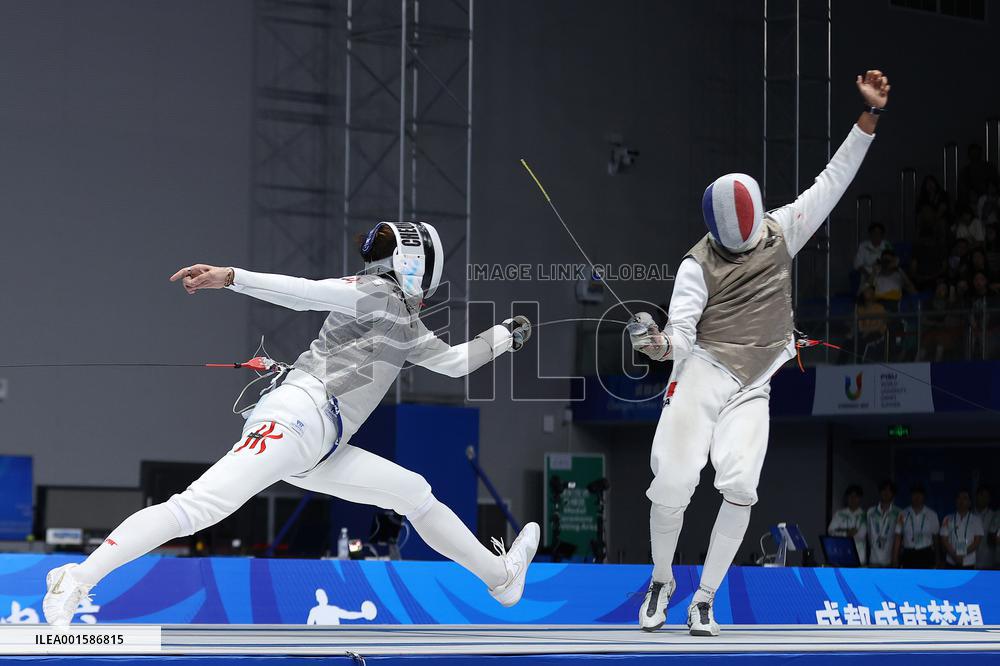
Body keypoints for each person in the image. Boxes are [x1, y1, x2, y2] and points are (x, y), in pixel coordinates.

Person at [42, 221, 540, 625]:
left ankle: (500, 578)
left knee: (414, 493)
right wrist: (231, 276)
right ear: (417, 267)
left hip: (320, 445)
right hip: (298, 419)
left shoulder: (406, 325)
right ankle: (77, 578)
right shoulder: (375, 293)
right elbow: (304, 293)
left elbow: (455, 363)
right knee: (196, 508)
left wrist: (503, 336)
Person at [629, 70, 888, 636]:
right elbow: (681, 335)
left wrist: (868, 118)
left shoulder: (781, 230)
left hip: (753, 383)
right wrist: (657, 343)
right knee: (671, 483)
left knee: (741, 487)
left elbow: (832, 181)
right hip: (703, 371)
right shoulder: (696, 265)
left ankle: (704, 597)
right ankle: (661, 580)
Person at [893, 485, 939, 569]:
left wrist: (937, 559)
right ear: (910, 496)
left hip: (926, 553)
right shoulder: (903, 514)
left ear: (924, 497)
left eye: (920, 494)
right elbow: (898, 536)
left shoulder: (932, 514)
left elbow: (935, 538)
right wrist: (895, 557)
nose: (917, 497)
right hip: (908, 553)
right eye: (914, 494)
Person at [940, 489, 985, 569]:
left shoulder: (976, 520)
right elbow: (944, 539)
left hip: (968, 561)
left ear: (970, 502)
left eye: (964, 498)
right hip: (951, 560)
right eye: (959, 498)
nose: (961, 501)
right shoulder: (947, 518)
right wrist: (954, 555)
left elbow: (977, 542)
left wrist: (962, 554)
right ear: (955, 501)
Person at [828, 485, 868, 565]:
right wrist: (846, 533)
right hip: (841, 554)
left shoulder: (865, 515)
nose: (853, 499)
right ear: (847, 498)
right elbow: (831, 531)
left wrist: (840, 530)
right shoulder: (839, 514)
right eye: (850, 496)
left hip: (859, 556)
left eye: (856, 496)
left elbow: (861, 535)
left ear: (860, 499)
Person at [866, 480, 901, 568]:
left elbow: (898, 537)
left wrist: (895, 559)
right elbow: (868, 534)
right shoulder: (870, 512)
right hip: (873, 559)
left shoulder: (898, 512)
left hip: (890, 559)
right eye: (884, 490)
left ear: (893, 494)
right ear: (880, 492)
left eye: (889, 491)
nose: (886, 493)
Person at [973, 486, 995, 570]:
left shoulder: (994, 516)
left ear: (989, 499)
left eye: (986, 496)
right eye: (981, 495)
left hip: (989, 561)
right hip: (971, 561)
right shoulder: (969, 515)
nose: (983, 498)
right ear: (976, 496)